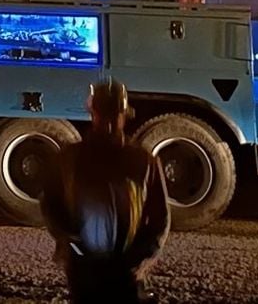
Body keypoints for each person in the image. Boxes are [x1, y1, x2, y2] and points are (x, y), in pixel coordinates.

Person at [40, 78, 169, 303]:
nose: (109, 123)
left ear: (124, 116)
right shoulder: (69, 159)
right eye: (104, 114)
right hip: (84, 269)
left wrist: (143, 258)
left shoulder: (144, 161)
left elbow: (160, 217)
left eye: (114, 115)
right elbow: (51, 204)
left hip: (125, 269)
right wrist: (69, 243)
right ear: (93, 114)